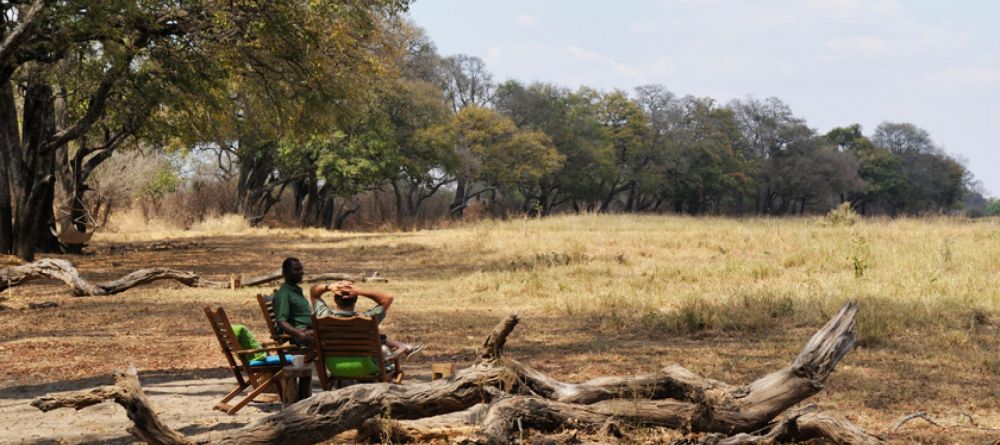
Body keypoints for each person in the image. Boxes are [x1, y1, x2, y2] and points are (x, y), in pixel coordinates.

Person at [310, 280, 422, 360]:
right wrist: (358, 290)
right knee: (380, 342)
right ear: (356, 300)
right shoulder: (366, 319)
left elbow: (313, 293)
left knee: (380, 338)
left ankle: (403, 346)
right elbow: (388, 298)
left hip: (335, 367)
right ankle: (403, 347)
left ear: (335, 299)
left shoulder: (323, 315)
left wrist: (330, 286)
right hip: (366, 368)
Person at [271, 257, 314, 346]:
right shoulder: (283, 294)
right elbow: (281, 321)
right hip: (302, 336)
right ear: (285, 273)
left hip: (312, 330)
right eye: (296, 270)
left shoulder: (296, 290)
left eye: (301, 269)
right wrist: (300, 334)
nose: (301, 272)